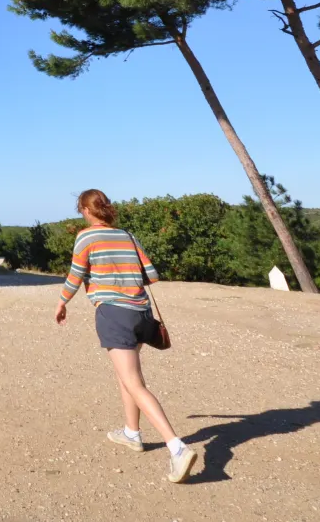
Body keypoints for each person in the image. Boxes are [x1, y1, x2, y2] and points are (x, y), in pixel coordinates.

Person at [54, 188, 197, 484]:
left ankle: (177, 447)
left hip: (114, 314)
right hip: (141, 313)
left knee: (133, 382)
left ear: (86, 209)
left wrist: (62, 301)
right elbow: (152, 274)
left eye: (81, 209)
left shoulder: (86, 237)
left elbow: (76, 274)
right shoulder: (127, 235)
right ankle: (132, 433)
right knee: (127, 377)